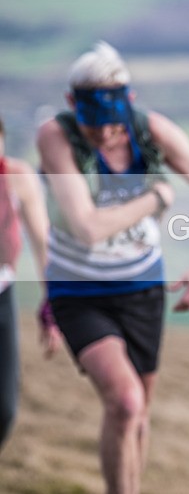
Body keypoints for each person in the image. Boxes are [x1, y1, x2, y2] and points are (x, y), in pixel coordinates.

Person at [36, 41, 189, 494]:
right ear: (74, 106)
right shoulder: (55, 135)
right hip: (79, 291)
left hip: (141, 288)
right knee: (124, 402)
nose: (105, 135)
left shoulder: (152, 131)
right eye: (94, 125)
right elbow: (87, 227)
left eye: (113, 125)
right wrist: (157, 197)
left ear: (128, 104)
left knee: (139, 413)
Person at [0, 115, 61, 452]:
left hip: (2, 293)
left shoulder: (17, 178)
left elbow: (42, 244)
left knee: (4, 410)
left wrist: (52, 304)